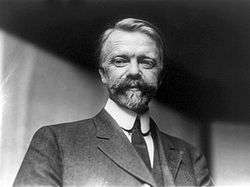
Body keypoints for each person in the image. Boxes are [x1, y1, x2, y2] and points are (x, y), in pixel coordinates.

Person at [14, 18, 213, 187]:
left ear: (159, 75)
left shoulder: (190, 157)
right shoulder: (56, 142)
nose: (134, 71)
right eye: (120, 61)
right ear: (103, 74)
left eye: (146, 62)